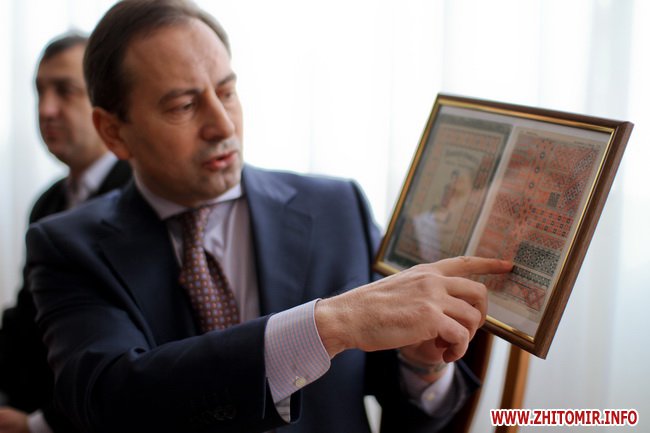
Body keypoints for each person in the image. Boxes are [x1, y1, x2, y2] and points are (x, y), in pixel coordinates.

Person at [25, 1, 512, 432]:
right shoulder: (67, 247)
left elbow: (406, 409)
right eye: (184, 105)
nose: (222, 125)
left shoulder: (336, 207)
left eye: (226, 92)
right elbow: (111, 403)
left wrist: (422, 366)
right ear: (113, 132)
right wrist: (326, 326)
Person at [0, 33, 132, 433]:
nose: (46, 109)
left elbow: (136, 345)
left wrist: (38, 425)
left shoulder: (140, 198)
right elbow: (28, 323)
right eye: (39, 92)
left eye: (64, 90)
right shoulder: (48, 203)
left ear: (104, 104)